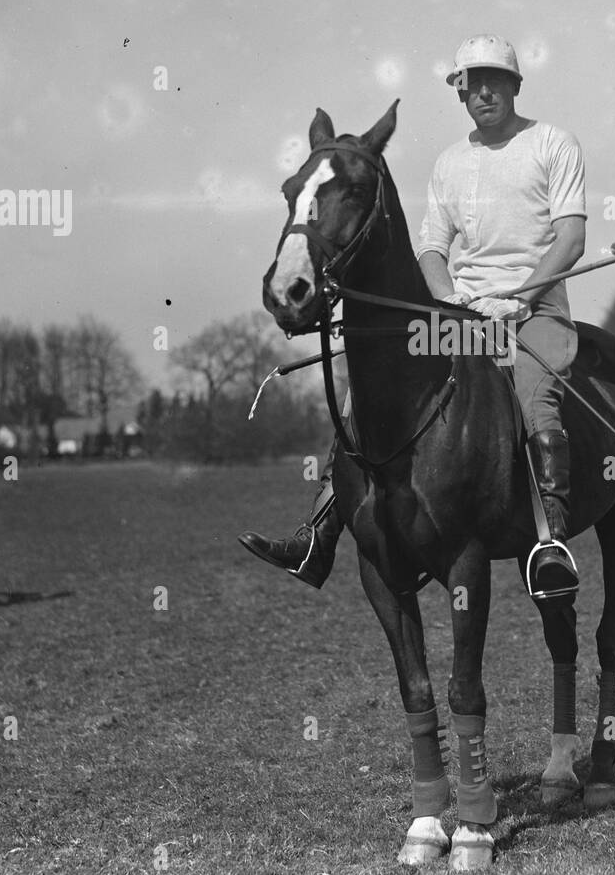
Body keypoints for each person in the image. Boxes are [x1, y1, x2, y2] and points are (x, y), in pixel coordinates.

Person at [240, 33, 586, 595]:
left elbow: (570, 237)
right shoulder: (450, 163)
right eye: (471, 86)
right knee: (365, 398)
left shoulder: (553, 144)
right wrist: (451, 299)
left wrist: (520, 296)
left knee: (536, 393)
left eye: (494, 82)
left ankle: (550, 539)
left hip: (534, 308)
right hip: (464, 314)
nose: (483, 94)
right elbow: (431, 247)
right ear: (460, 95)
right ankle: (319, 534)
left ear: (515, 86)